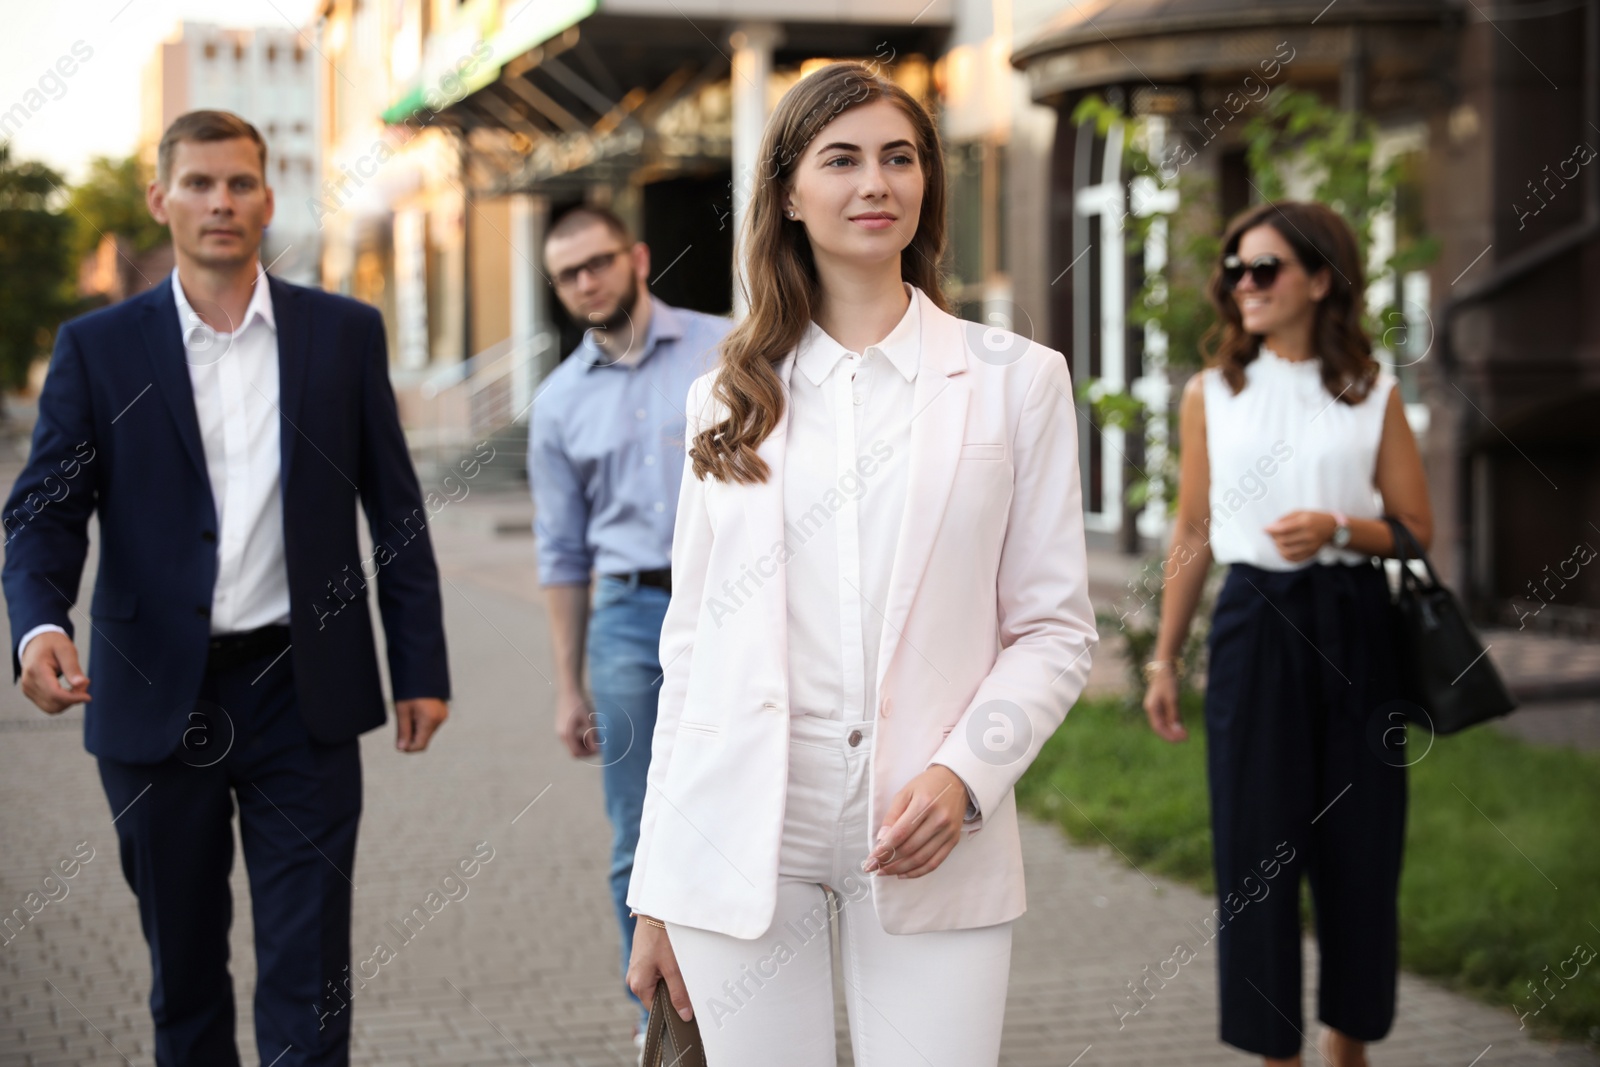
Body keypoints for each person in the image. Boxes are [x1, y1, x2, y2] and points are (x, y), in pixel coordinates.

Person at [622, 62, 1098, 1064]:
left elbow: (1054, 629)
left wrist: (964, 773)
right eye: (841, 159)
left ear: (926, 183)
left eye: (899, 157)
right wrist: (657, 889)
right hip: (737, 837)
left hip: (930, 833)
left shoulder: (1018, 380)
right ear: (790, 193)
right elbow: (692, 647)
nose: (874, 182)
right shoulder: (725, 396)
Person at [1, 110, 451, 1067]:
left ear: (267, 198)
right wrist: (38, 622)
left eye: (240, 183)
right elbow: (45, 508)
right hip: (155, 699)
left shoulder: (342, 334)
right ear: (160, 199)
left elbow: (396, 511)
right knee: (187, 976)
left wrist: (421, 664)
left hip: (306, 695)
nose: (221, 202)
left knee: (308, 973)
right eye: (199, 183)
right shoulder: (99, 349)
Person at [1140, 201, 1432, 1067]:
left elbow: (1416, 527)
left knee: (1363, 847)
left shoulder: (1372, 390)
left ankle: (1350, 1042)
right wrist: (1164, 656)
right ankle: (1277, 1055)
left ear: (1319, 278)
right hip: (1253, 627)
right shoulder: (1212, 393)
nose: (1243, 285)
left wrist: (1340, 526)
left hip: (1357, 626)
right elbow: (1192, 531)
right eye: (1234, 269)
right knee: (1255, 851)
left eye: (1263, 268)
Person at [527, 205, 731, 1048]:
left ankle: (742, 1008)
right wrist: (568, 684)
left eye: (599, 262)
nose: (587, 282)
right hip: (625, 621)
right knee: (638, 831)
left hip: (733, 601)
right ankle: (665, 1033)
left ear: (637, 257)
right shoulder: (556, 403)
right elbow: (562, 553)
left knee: (733, 814)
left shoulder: (729, 346)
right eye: (569, 274)